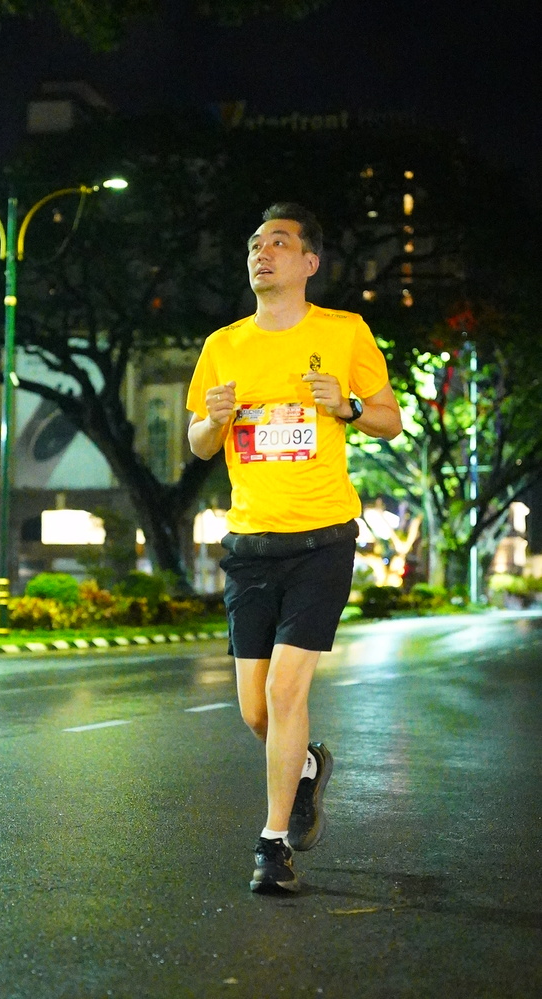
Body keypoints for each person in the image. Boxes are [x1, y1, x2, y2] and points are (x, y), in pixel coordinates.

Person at [186, 202, 402, 892]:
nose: (262, 251)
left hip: (322, 540)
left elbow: (390, 419)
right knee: (256, 710)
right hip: (250, 544)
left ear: (309, 261)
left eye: (278, 242)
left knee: (285, 690)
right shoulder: (223, 345)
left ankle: (272, 845)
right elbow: (198, 441)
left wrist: (347, 406)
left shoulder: (344, 331)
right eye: (255, 242)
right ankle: (307, 765)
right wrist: (213, 422)